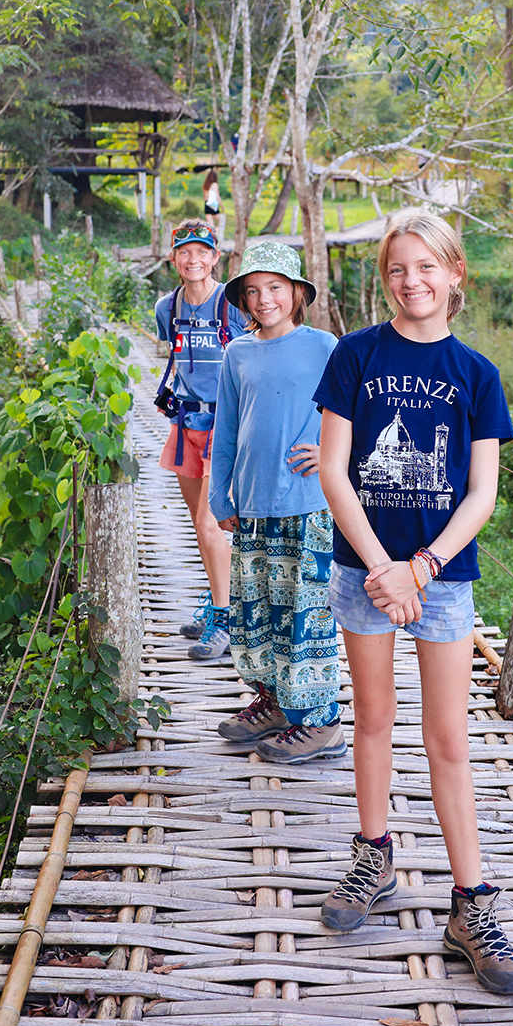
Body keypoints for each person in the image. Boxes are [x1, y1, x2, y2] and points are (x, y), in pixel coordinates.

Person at [311, 210, 513, 994]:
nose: (413, 281)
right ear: (386, 278)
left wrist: (421, 568)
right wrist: (383, 568)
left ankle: (471, 903)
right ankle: (374, 856)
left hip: (442, 578)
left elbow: (483, 491)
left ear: (455, 273)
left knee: (448, 740)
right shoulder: (356, 355)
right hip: (365, 570)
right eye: (399, 268)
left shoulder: (476, 373)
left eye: (428, 266)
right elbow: (334, 469)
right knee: (372, 718)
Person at [206, 242, 343, 763]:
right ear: (243, 299)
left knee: (304, 615)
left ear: (297, 293)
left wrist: (330, 453)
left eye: (275, 288)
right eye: (253, 291)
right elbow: (226, 429)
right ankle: (277, 704)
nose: (264, 299)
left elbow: (356, 414)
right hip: (253, 506)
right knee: (256, 614)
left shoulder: (325, 347)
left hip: (308, 507)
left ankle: (322, 721)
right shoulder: (237, 353)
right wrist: (220, 494)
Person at [153, 219, 250, 661]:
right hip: (185, 421)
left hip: (224, 425)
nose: (193, 260)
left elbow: (255, 352)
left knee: (212, 523)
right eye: (184, 252)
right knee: (198, 522)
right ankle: (218, 600)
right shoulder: (167, 307)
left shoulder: (232, 303)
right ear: (173, 258)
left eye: (202, 252)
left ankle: (227, 622)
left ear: (215, 257)